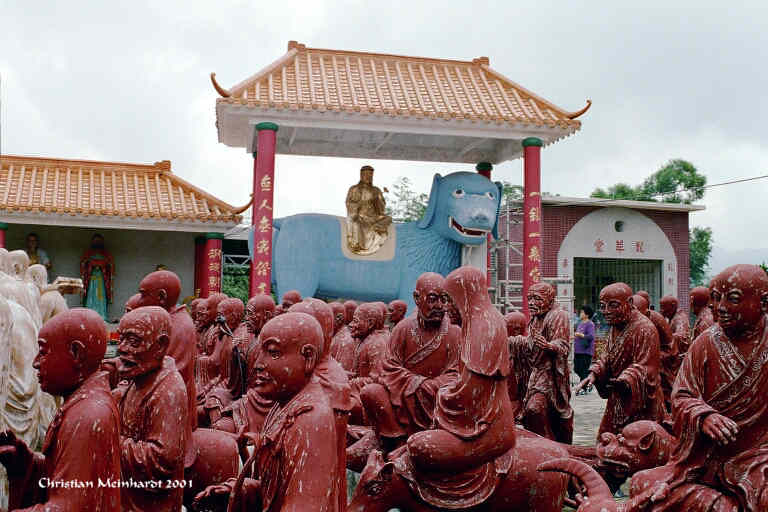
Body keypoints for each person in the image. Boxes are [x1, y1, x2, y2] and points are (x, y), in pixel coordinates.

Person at [631, 265, 768, 511]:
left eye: (733, 299)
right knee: (644, 483)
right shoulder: (706, 343)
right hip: (706, 458)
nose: (721, 307)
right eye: (716, 298)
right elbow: (682, 395)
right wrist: (704, 416)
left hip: (759, 456)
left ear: (764, 303)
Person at [194, 313, 341, 512]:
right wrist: (241, 489)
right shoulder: (284, 404)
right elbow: (276, 488)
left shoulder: (311, 420)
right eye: (260, 352)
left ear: (307, 358)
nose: (257, 364)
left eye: (272, 353)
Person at [0, 309, 121, 511]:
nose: (35, 363)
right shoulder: (79, 405)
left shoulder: (88, 416)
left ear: (76, 353)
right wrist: (26, 464)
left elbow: (70, 506)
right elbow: (64, 480)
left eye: (44, 351)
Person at [361, 273, 460, 449]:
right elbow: (388, 367)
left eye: (443, 299)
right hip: (404, 397)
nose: (439, 306)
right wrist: (415, 384)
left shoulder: (454, 333)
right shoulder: (403, 329)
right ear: (416, 298)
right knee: (371, 392)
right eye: (432, 299)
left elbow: (457, 374)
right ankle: (397, 441)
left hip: (436, 398)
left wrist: (428, 387)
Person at [114, 306, 188, 511]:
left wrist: (112, 440)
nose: (122, 348)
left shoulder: (168, 390)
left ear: (160, 345)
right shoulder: (140, 376)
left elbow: (161, 461)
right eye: (121, 340)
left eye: (133, 342)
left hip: (150, 502)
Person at [574, 283, 666, 436]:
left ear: (629, 303)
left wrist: (626, 379)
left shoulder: (645, 329)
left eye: (613, 305)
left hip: (639, 402)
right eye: (603, 306)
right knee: (606, 442)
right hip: (617, 398)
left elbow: (647, 368)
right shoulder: (615, 326)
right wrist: (593, 374)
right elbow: (607, 357)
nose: (606, 312)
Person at [511, 282, 573, 443]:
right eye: (529, 299)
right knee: (535, 412)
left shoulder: (558, 315)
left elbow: (563, 345)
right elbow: (530, 346)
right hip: (536, 374)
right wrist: (514, 342)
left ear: (550, 300)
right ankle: (543, 443)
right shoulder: (536, 319)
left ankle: (548, 445)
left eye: (537, 299)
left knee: (534, 408)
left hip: (551, 375)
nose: (531, 303)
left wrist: (549, 345)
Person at [345, 165, 392, 254]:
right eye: (365, 174)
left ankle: (376, 227)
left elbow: (381, 209)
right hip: (361, 215)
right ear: (361, 175)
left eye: (370, 175)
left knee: (388, 218)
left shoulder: (376, 190)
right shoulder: (354, 189)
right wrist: (357, 205)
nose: (368, 177)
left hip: (374, 217)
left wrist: (378, 200)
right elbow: (349, 203)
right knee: (355, 222)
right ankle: (357, 244)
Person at [80, 233, 115, 321]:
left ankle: (101, 315)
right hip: (91, 279)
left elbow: (111, 265)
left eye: (99, 241)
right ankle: (89, 314)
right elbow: (83, 263)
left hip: (101, 279)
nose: (97, 243)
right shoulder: (88, 253)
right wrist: (90, 265)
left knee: (100, 297)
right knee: (91, 295)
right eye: (95, 241)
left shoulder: (106, 254)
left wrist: (102, 265)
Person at [573, 305, 595, 395]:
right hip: (577, 351)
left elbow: (591, 336)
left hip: (585, 352)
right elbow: (577, 336)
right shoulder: (580, 324)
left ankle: (583, 388)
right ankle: (589, 381)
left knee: (583, 370)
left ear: (587, 314)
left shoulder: (590, 324)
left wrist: (580, 335)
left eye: (582, 312)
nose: (580, 314)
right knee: (577, 369)